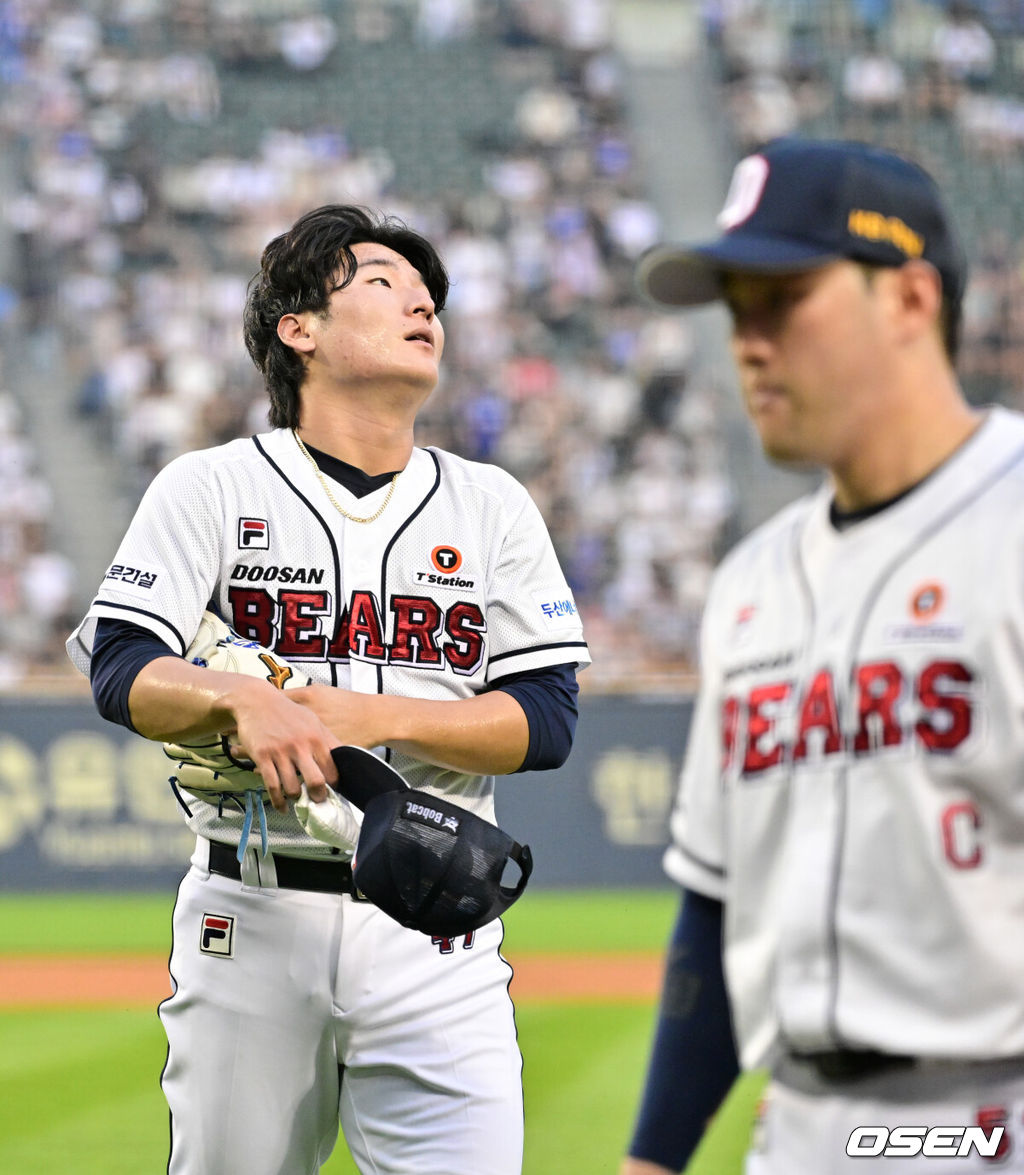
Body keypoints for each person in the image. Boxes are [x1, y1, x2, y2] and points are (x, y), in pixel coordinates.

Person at [66, 204, 590, 1175]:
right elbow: (122, 667)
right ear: (297, 328)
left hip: (437, 923)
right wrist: (241, 698)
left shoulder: (490, 504)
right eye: (383, 283)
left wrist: (370, 714)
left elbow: (547, 719)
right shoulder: (210, 487)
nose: (421, 302)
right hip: (249, 913)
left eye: (429, 292)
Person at [620, 136, 1024, 1174]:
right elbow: (713, 901)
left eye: (782, 298)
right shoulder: (750, 581)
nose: (746, 342)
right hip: (797, 1122)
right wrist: (651, 1156)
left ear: (909, 300)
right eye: (734, 308)